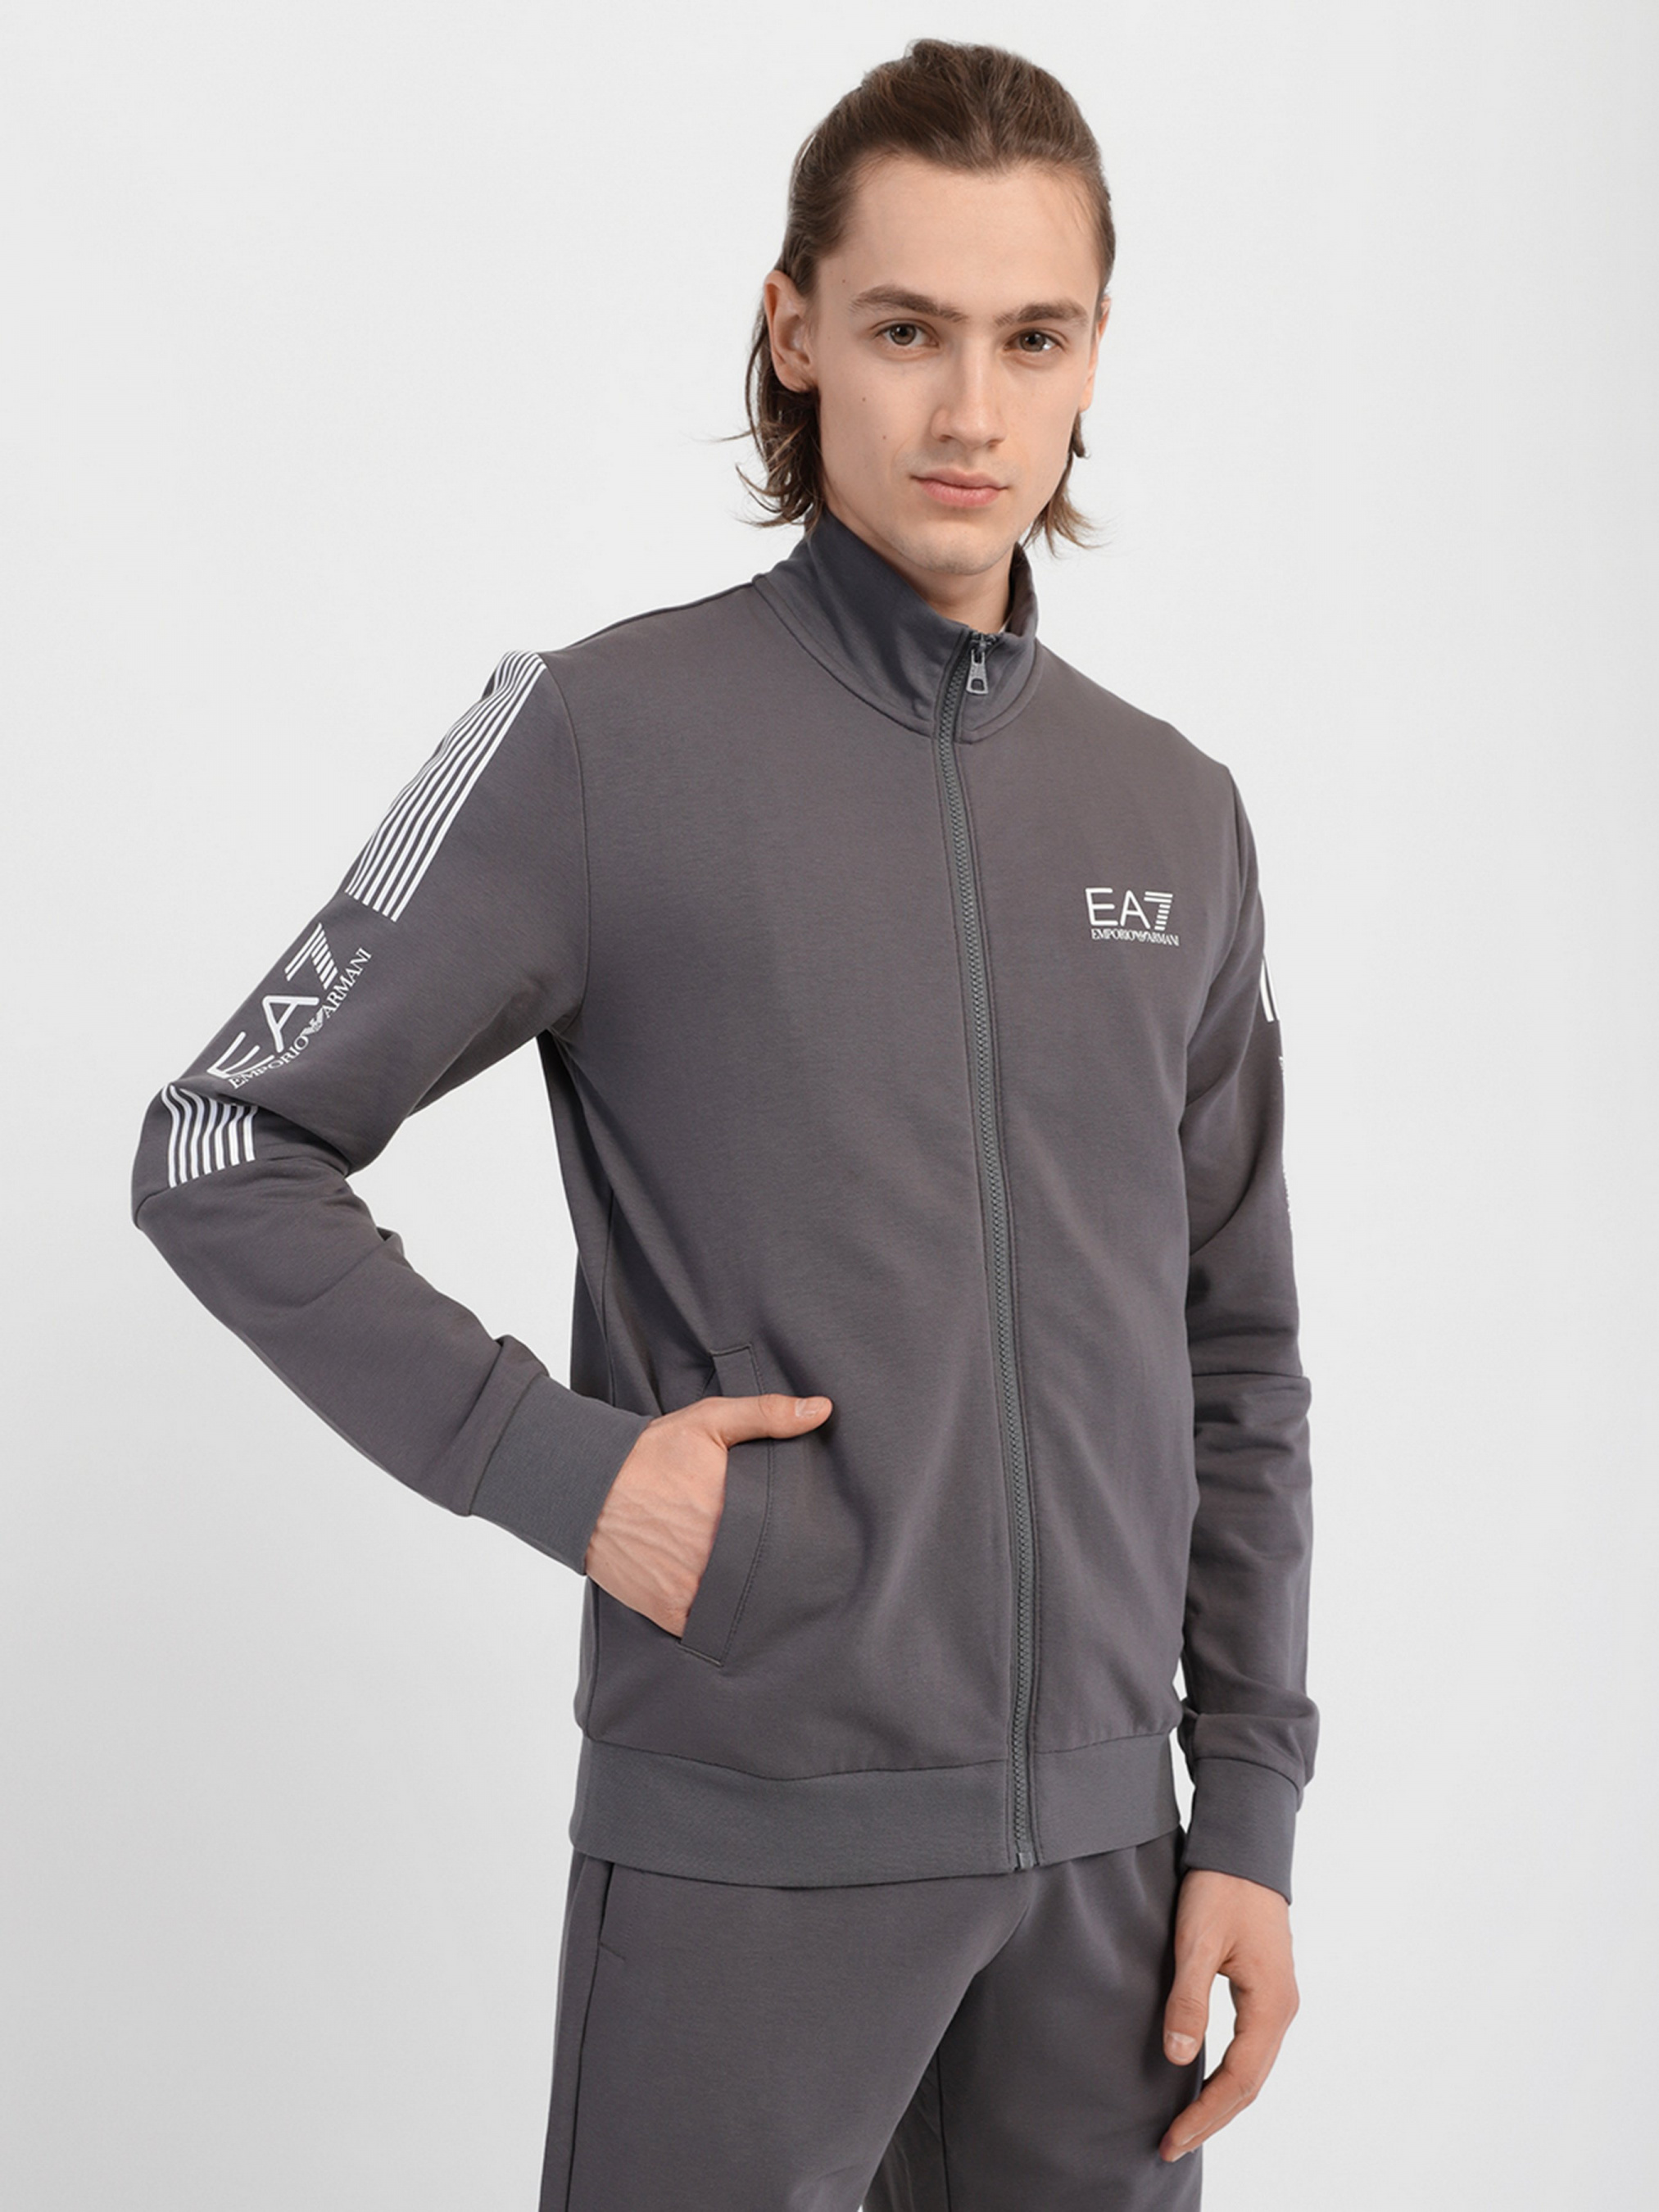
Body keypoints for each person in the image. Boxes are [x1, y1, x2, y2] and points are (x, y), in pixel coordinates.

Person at [130, 37, 1317, 2211]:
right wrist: (565, 1472)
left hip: (1110, 1888)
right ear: (794, 331)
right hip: (750, 1855)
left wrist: (1239, 1808)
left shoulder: (1174, 811)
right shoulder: (600, 740)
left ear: (1092, 355)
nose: (970, 413)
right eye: (906, 330)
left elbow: (1232, 1352)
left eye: (1030, 338)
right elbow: (223, 1145)